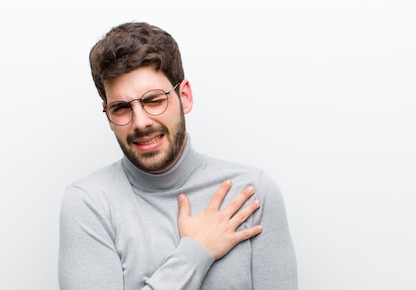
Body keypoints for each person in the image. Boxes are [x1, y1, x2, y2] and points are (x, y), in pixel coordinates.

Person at [58, 21, 297, 289]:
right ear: (108, 116)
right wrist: (195, 252)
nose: (140, 122)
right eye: (122, 108)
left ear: (184, 97)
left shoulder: (252, 194)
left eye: (154, 100)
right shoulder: (89, 202)